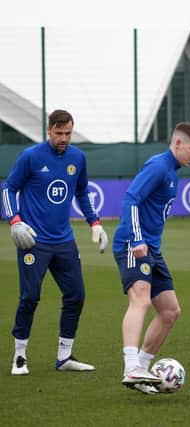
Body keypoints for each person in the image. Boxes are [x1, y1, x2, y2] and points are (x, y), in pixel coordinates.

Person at [2, 109, 108, 375]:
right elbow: (8, 188)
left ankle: (64, 357)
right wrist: (14, 220)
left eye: (68, 133)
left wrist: (95, 222)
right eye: (59, 133)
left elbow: (82, 192)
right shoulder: (31, 157)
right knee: (30, 297)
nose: (64, 138)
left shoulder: (77, 158)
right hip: (34, 241)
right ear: (48, 130)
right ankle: (19, 356)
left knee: (76, 295)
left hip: (64, 241)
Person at [113, 122, 190, 394]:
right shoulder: (158, 166)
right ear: (177, 144)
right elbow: (130, 199)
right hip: (133, 243)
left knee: (169, 311)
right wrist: (138, 238)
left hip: (152, 248)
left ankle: (141, 370)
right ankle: (131, 366)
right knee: (140, 298)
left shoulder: (173, 171)